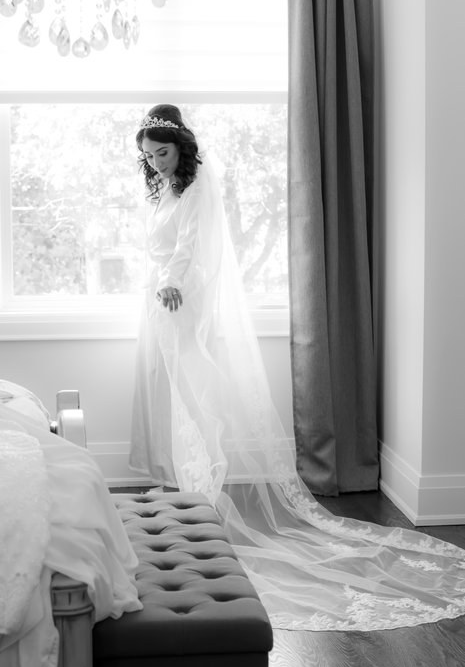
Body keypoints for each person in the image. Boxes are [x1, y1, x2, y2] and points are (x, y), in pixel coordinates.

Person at [130, 104, 465, 632]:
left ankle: (203, 494)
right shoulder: (163, 189)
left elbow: (193, 246)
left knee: (195, 396)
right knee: (172, 396)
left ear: (182, 148)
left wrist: (171, 280)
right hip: (160, 301)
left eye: (163, 152)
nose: (156, 163)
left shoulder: (195, 190)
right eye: (149, 156)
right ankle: (186, 490)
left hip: (181, 301)